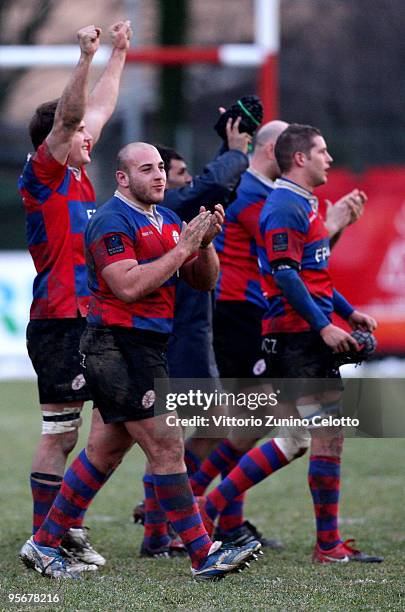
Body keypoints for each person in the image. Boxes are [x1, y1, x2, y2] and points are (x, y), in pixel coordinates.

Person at [19, 142, 261, 581]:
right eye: (147, 169)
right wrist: (182, 246)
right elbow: (128, 286)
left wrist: (203, 245)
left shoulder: (168, 220)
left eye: (162, 168)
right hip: (115, 345)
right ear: (123, 178)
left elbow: (203, 281)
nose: (160, 176)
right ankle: (203, 552)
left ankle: (42, 544)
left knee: (103, 453)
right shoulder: (111, 220)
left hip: (147, 347)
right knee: (167, 445)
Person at [198, 123, 383, 564]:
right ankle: (212, 505)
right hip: (295, 334)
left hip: (305, 330)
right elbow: (283, 274)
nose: (329, 158)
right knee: (302, 435)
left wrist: (347, 310)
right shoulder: (282, 206)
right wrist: (324, 327)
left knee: (310, 435)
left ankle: (326, 543)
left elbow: (311, 271)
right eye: (322, 151)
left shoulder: (304, 203)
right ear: (299, 158)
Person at [18, 21, 132, 567]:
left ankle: (67, 526)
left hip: (97, 322)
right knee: (62, 434)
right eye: (81, 132)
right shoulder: (43, 176)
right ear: (59, 140)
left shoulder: (84, 177)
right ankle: (46, 537)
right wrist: (84, 57)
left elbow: (100, 109)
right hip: (60, 322)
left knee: (117, 428)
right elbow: (71, 117)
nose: (92, 134)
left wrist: (119, 54)